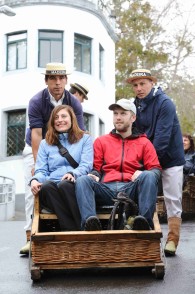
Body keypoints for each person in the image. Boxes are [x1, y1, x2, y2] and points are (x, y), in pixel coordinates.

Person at [20, 62, 85, 254]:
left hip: (65, 146)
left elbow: (78, 133)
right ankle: (30, 236)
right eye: (53, 78)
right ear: (46, 80)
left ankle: (74, 228)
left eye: (61, 78)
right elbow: (37, 135)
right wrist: (37, 166)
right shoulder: (36, 101)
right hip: (37, 146)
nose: (57, 83)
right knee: (32, 187)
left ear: (66, 80)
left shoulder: (74, 102)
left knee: (73, 181)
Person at [75, 99, 161, 231]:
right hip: (105, 189)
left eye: (123, 113)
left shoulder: (144, 143)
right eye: (115, 114)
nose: (118, 118)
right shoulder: (101, 141)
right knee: (83, 180)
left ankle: (144, 222)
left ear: (133, 117)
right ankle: (89, 223)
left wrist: (143, 173)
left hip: (130, 190)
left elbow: (156, 171)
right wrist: (94, 174)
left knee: (149, 175)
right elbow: (96, 168)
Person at [126, 68, 185, 256]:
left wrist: (147, 167)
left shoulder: (165, 103)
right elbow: (134, 134)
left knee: (172, 198)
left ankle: (173, 239)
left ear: (152, 83)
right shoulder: (135, 105)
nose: (139, 88)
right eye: (135, 85)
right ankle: (142, 235)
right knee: (136, 188)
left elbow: (162, 139)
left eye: (142, 83)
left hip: (170, 158)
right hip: (148, 158)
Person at [30, 105, 93, 231]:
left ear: (72, 119)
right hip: (53, 187)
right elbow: (41, 169)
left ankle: (73, 230)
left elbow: (86, 165)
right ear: (52, 122)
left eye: (64, 116)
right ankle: (74, 230)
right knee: (46, 186)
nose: (60, 120)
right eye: (56, 117)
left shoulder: (85, 139)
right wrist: (35, 180)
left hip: (74, 184)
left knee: (65, 185)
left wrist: (73, 173)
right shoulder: (45, 143)